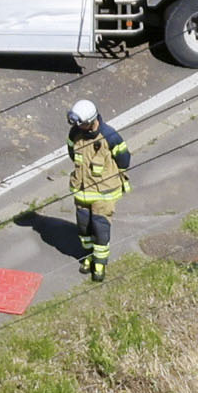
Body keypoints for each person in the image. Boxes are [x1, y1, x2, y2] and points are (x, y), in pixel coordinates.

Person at [66, 99, 131, 283]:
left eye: (82, 124)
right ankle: (88, 255)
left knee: (100, 227)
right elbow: (72, 151)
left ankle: (100, 263)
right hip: (81, 191)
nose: (79, 128)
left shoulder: (109, 136)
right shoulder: (75, 133)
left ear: (91, 120)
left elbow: (124, 159)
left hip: (104, 193)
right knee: (83, 226)